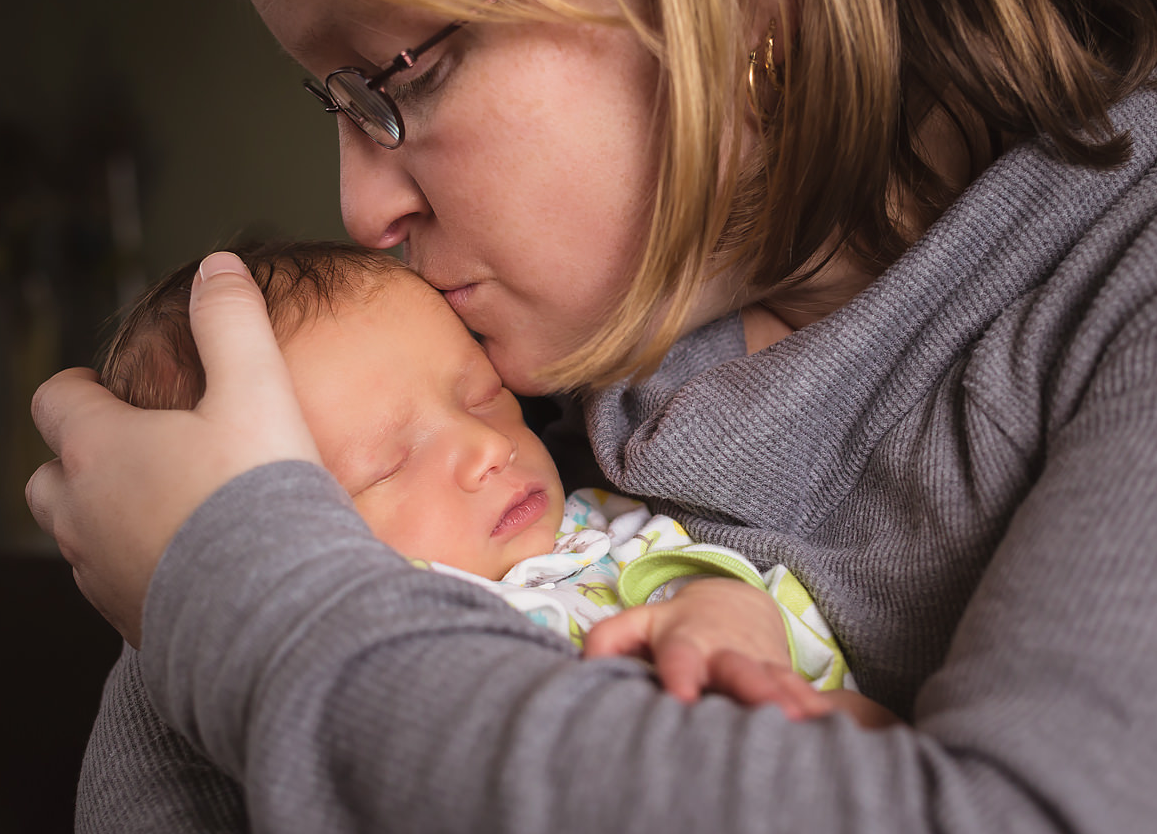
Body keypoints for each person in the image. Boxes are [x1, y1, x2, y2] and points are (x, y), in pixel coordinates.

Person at [30, 0, 1157, 834]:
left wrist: (254, 599)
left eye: (408, 72)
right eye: (333, 97)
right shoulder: (530, 363)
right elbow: (179, 704)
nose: (361, 201)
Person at [99, 239, 876, 711]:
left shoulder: (594, 528)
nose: (486, 445)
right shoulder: (358, 639)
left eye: (485, 396)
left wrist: (724, 612)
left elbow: (681, 570)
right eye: (390, 461)